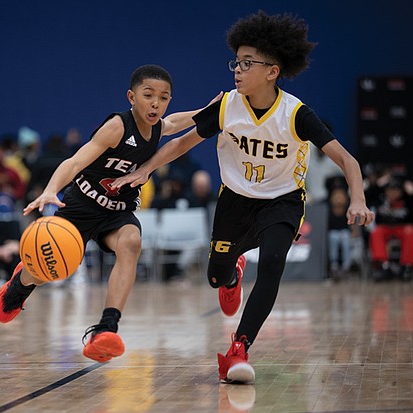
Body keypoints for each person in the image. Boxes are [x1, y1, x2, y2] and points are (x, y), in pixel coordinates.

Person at [112, 11, 374, 383]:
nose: (237, 69)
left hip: (283, 200)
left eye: (247, 63)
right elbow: (183, 142)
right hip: (235, 199)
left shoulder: (295, 113)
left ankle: (240, 347)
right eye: (236, 61)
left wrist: (358, 199)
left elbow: (347, 159)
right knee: (216, 276)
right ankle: (231, 272)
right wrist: (145, 169)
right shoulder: (227, 106)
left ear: (272, 71)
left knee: (271, 265)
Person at [0, 64, 211, 362]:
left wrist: (206, 110)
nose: (156, 103)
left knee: (132, 243)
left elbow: (173, 123)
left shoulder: (158, 126)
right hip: (81, 206)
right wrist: (51, 189)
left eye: (163, 98)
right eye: (148, 95)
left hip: (116, 213)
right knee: (49, 270)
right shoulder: (117, 127)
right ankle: (21, 284)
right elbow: (74, 162)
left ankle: (106, 330)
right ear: (131, 97)